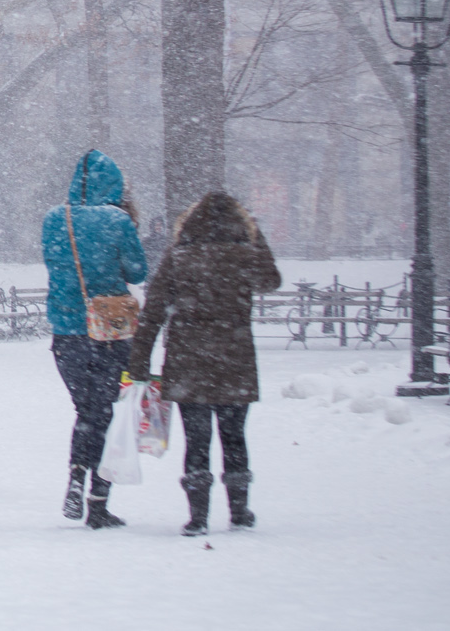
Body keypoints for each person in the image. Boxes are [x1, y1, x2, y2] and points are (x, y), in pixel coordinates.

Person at [128, 192, 282, 536]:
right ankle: (239, 511)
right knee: (234, 436)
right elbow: (271, 280)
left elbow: (153, 311)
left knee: (197, 440)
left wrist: (139, 361)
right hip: (235, 360)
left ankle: (198, 516)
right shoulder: (245, 255)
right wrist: (256, 237)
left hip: (188, 361)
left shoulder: (180, 256)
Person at [40, 150, 148, 530]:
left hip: (67, 333)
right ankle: (97, 501)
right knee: (103, 413)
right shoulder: (117, 220)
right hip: (109, 331)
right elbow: (138, 270)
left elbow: (53, 263)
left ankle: (76, 475)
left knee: (87, 412)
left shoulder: (55, 219)